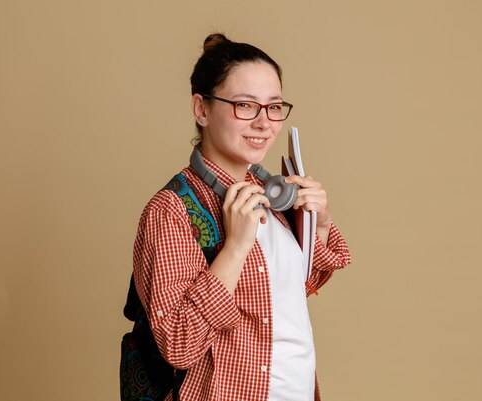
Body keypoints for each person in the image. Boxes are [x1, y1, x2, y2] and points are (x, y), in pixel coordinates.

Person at [132, 33, 351, 401]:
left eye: (274, 106)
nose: (264, 123)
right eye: (245, 106)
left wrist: (321, 225)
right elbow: (179, 343)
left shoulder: (271, 193)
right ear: (201, 109)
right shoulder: (172, 210)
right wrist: (234, 248)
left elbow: (287, 295)